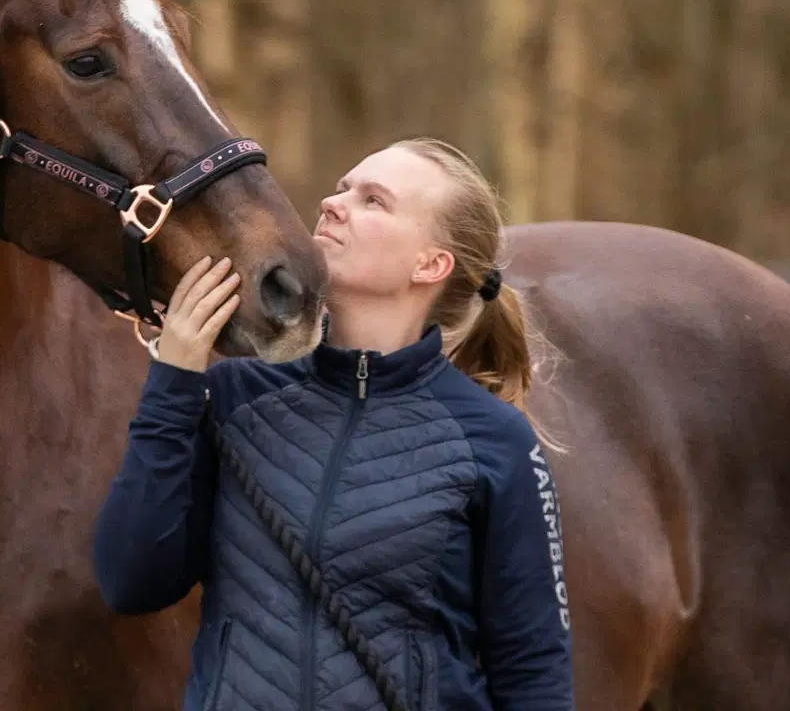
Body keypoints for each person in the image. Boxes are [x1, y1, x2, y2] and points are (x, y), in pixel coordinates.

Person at [92, 137, 574, 711]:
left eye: (374, 201)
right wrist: (172, 383)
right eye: (342, 187)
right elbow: (130, 581)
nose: (332, 203)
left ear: (431, 264)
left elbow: (533, 669)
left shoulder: (494, 441)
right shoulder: (232, 396)